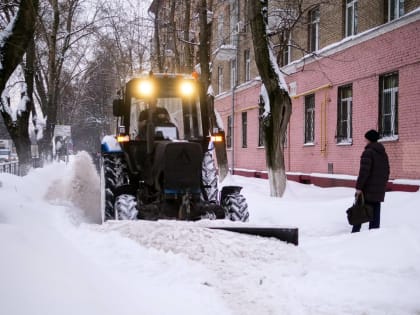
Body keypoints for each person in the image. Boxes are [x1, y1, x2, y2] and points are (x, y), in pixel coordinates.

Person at [352, 129, 390, 233]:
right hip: (379, 189)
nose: (365, 140)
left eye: (366, 138)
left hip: (367, 188)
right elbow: (387, 171)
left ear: (369, 139)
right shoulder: (383, 153)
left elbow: (364, 172)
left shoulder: (368, 152)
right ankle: (374, 235)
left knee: (359, 210)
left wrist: (359, 188)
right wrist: (382, 185)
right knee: (375, 211)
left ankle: (354, 234)